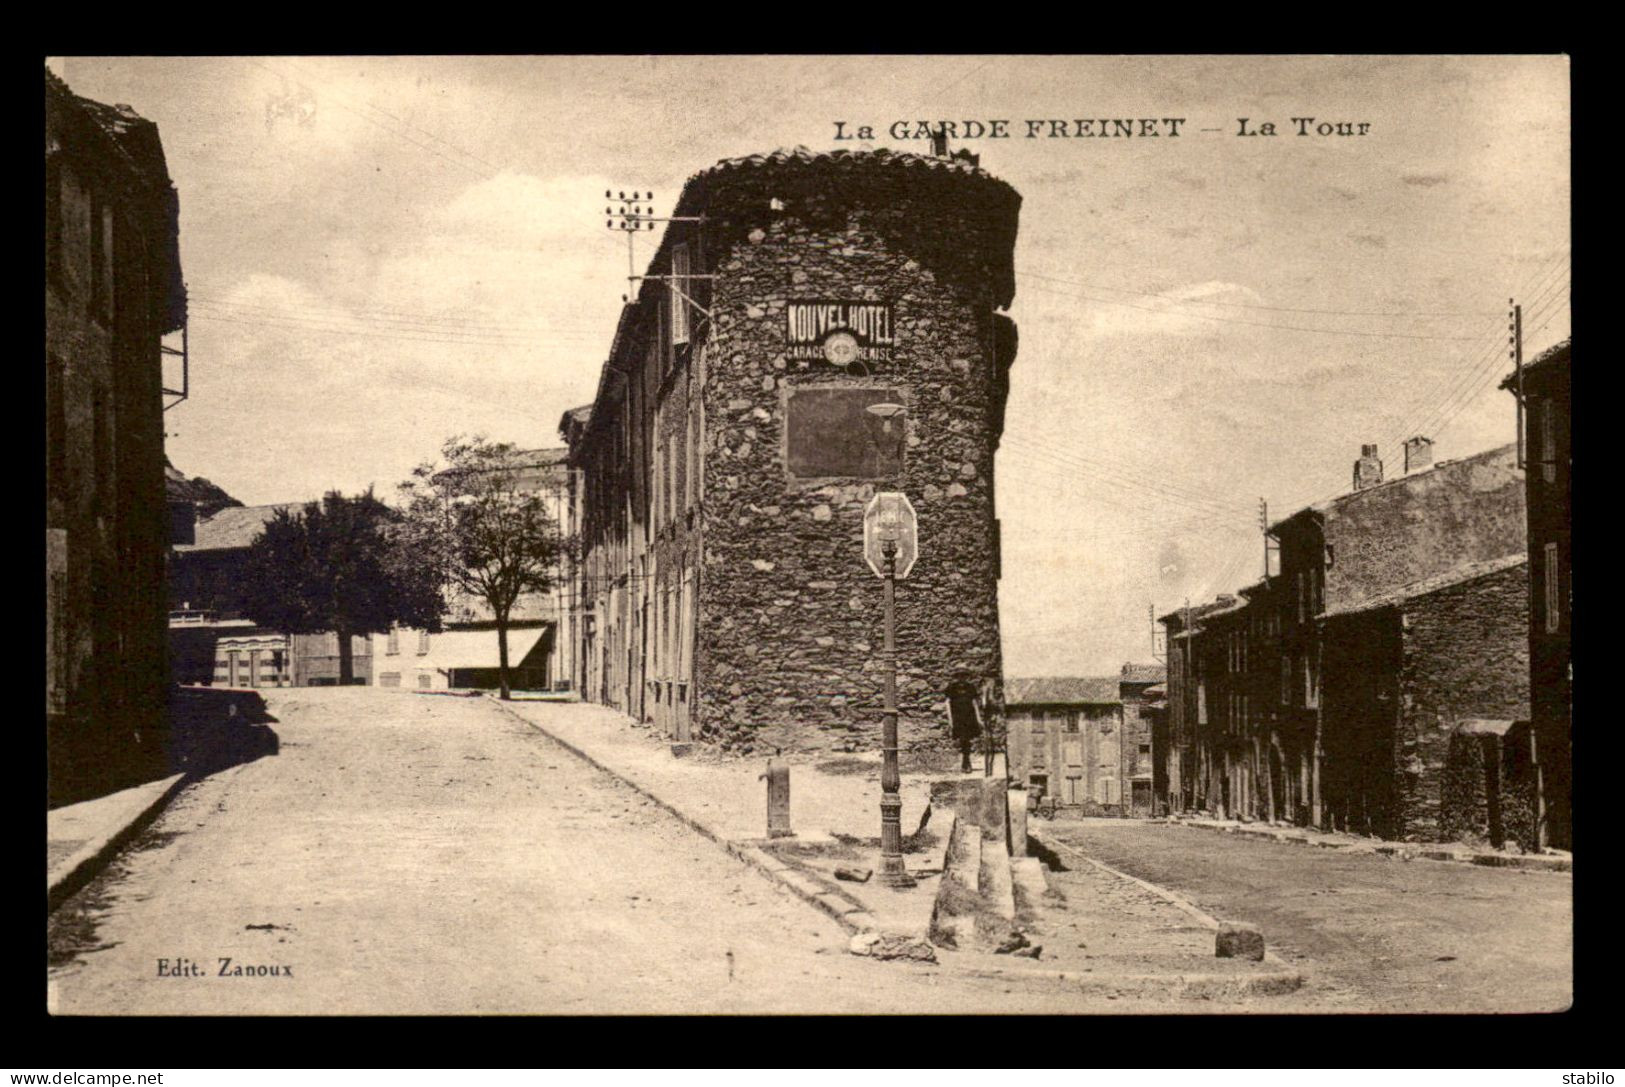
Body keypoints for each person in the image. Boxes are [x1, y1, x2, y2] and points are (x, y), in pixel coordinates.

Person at [946, 672, 982, 773]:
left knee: (967, 739)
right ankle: (966, 761)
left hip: (969, 717)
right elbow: (947, 703)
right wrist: (950, 719)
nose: (961, 678)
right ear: (956, 677)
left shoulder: (970, 687)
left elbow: (974, 703)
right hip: (958, 717)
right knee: (962, 739)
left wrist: (979, 718)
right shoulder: (951, 688)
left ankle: (966, 761)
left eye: (963, 676)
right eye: (959, 676)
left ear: (966, 677)